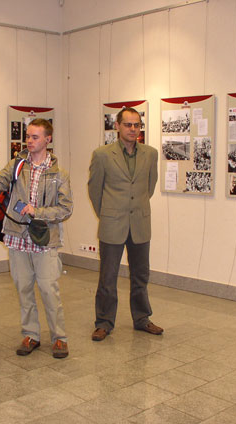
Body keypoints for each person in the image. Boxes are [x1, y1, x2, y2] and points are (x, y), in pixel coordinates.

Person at [0, 119, 73, 358]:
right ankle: (31, 335)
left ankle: (59, 338)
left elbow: (66, 209)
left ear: (48, 139)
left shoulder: (59, 174)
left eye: (35, 137)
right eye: (27, 136)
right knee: (24, 288)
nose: (29, 141)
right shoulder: (17, 165)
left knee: (49, 290)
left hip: (45, 239)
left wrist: (38, 212)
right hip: (17, 237)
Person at [88, 107, 163, 341]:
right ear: (117, 126)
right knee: (107, 277)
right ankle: (104, 322)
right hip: (113, 224)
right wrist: (108, 214)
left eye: (136, 125)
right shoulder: (102, 155)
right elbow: (95, 190)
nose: (132, 129)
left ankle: (142, 318)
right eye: (128, 124)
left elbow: (149, 187)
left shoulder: (150, 154)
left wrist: (135, 208)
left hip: (140, 223)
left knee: (141, 275)